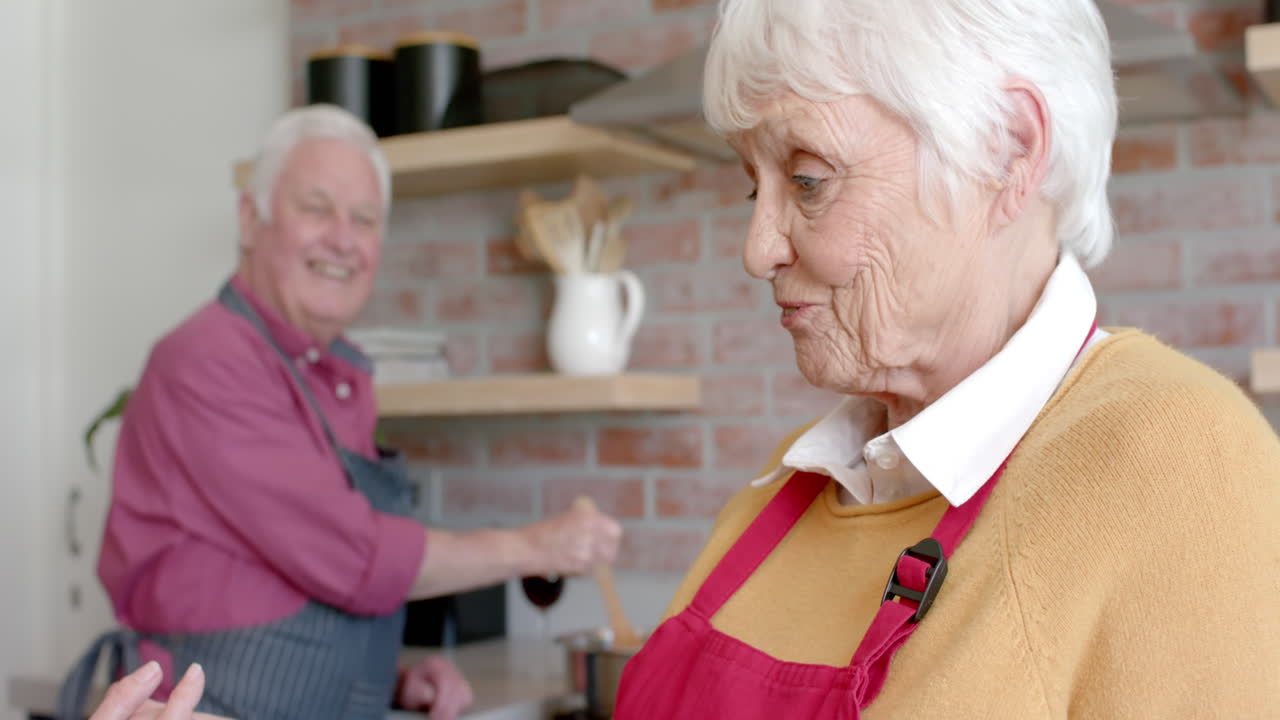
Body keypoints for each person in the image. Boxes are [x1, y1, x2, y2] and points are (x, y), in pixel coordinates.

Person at [612, 1, 1280, 718]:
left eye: (808, 180)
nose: (757, 249)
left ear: (1007, 150)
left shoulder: (1176, 463)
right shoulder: (783, 491)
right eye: (754, 184)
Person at [58, 103, 623, 720]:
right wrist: (538, 546)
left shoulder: (330, 373)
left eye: (365, 218)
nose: (344, 239)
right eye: (317, 207)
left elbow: (279, 579)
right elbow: (353, 557)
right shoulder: (208, 362)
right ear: (251, 220)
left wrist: (389, 680)